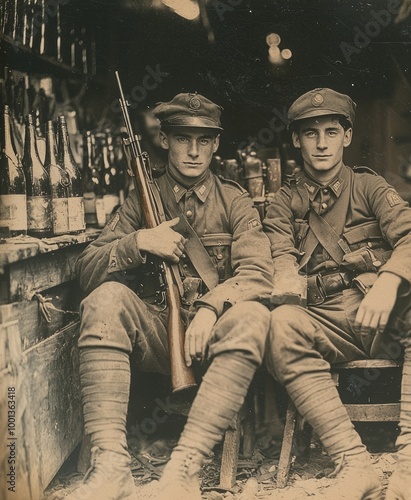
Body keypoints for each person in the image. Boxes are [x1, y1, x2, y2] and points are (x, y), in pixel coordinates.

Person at [71, 92, 273, 500]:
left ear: (217, 144)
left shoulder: (235, 201)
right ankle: (111, 466)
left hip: (215, 335)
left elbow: (258, 274)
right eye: (183, 139)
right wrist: (140, 241)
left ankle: (185, 469)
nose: (194, 151)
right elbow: (85, 270)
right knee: (105, 301)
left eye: (204, 140)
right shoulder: (140, 200)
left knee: (252, 319)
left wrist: (210, 308)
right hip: (159, 333)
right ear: (164, 140)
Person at [263, 88, 411, 500]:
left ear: (347, 137)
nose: (321, 143)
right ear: (295, 140)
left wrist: (390, 280)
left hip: (381, 314)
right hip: (326, 321)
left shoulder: (369, 186)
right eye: (310, 133)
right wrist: (286, 282)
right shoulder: (282, 203)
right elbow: (279, 258)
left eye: (331, 132)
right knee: (280, 325)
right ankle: (353, 464)